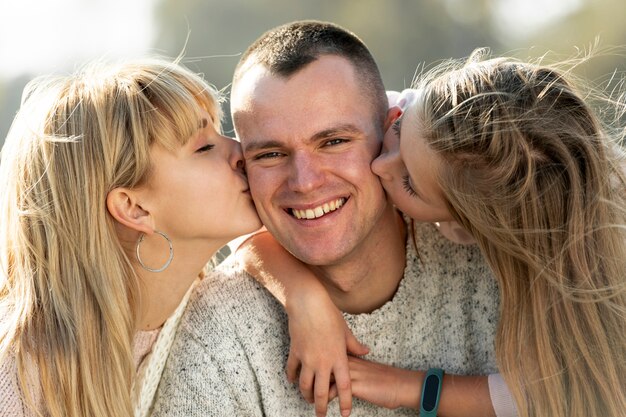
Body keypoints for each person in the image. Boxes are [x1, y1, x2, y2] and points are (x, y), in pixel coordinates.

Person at [152, 21, 505, 417]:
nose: (304, 182)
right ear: (244, 164)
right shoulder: (218, 332)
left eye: (333, 142)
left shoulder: (495, 260)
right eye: (270, 154)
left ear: (391, 134)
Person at [251, 50, 626, 417]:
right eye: (397, 131)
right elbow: (251, 209)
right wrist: (303, 298)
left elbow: (569, 392)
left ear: (464, 230)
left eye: (409, 184)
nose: (380, 165)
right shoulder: (406, 111)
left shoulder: (578, 261)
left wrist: (413, 388)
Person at [0, 58, 262, 417]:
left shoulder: (223, 313)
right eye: (204, 147)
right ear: (133, 207)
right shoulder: (16, 380)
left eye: (221, 132)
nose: (241, 152)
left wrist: (302, 296)